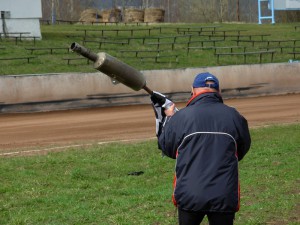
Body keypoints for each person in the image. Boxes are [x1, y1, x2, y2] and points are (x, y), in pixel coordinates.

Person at [151, 72, 251, 225]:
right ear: (218, 91)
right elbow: (242, 150)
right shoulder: (234, 116)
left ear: (193, 89)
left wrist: (170, 118)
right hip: (223, 194)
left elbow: (167, 147)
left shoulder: (181, 117)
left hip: (190, 194)